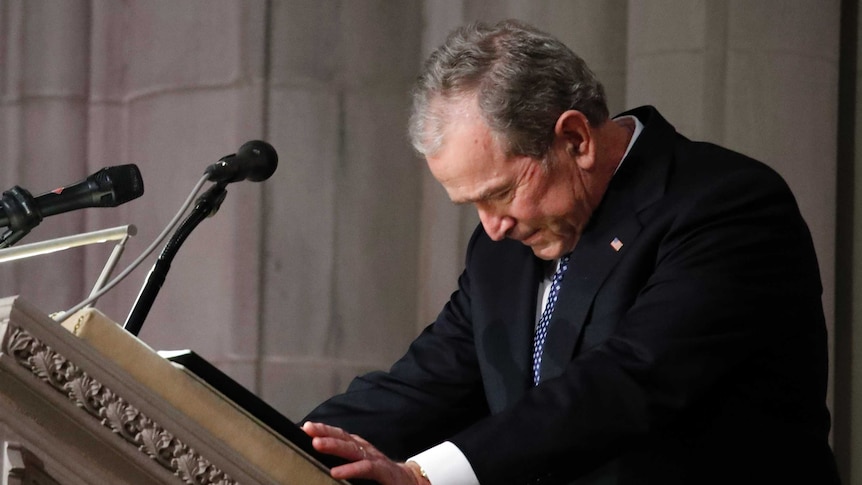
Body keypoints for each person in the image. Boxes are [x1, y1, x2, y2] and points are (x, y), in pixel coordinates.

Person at [300, 19, 840, 485]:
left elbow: (625, 383)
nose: (492, 227)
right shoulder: (504, 244)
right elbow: (427, 381)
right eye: (473, 204)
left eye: (500, 192)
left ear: (576, 139)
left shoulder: (726, 204)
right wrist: (286, 444)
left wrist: (423, 476)